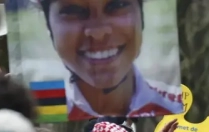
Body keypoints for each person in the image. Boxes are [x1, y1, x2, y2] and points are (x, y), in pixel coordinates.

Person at [37, 0, 182, 119]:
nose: (98, 33)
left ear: (141, 17)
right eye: (72, 11)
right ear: (48, 25)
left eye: (117, 5)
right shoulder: (35, 112)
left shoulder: (178, 106)